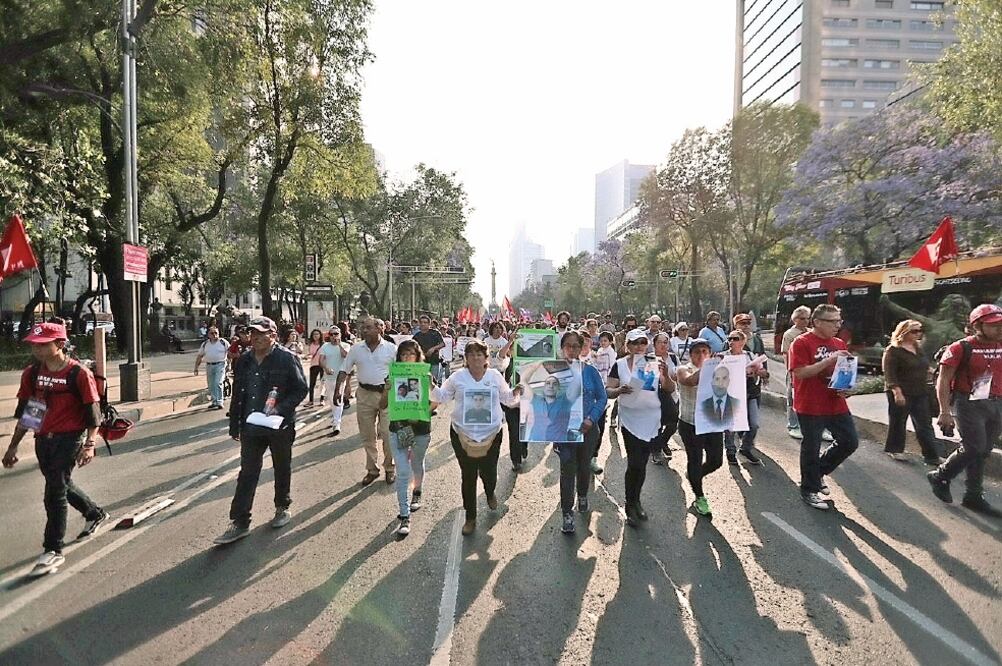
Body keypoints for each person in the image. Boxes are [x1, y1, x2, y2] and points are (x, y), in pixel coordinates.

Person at [2, 322, 109, 576]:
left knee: (54, 493)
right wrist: (13, 446)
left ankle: (52, 550)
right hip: (43, 440)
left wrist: (90, 444)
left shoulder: (78, 374)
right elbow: (30, 413)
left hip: (69, 439)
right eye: (34, 345)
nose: (37, 349)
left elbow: (93, 417)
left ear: (60, 344)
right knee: (60, 483)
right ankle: (94, 513)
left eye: (42, 345)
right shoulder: (32, 374)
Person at [214, 316, 308, 544]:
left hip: (279, 426)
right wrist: (234, 424)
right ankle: (240, 521)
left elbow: (300, 389)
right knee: (247, 472)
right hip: (251, 426)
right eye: (252, 334)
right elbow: (238, 394)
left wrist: (281, 410)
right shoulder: (245, 360)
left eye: (260, 334)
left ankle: (281, 506)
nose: (255, 338)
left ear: (273, 336)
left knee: (281, 467)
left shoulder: (287, 359)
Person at [432, 340, 521, 536]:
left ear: (486, 357)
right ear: (466, 358)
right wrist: (430, 384)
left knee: (489, 472)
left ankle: (489, 492)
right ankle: (470, 517)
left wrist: (517, 393)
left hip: (492, 434)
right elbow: (442, 396)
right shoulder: (458, 377)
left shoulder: (495, 376)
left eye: (479, 354)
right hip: (462, 434)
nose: (475, 357)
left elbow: (507, 398)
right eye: (471, 354)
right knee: (468, 475)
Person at [928, 304, 1002, 516]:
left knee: (983, 451)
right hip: (969, 403)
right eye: (993, 325)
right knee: (974, 447)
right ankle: (940, 475)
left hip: (996, 403)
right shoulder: (960, 348)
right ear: (977, 325)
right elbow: (943, 381)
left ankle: (973, 496)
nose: (999, 328)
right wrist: (944, 411)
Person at [788, 304, 860, 511]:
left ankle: (817, 472)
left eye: (839, 321)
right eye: (832, 321)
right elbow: (800, 373)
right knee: (811, 447)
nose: (837, 325)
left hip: (836, 403)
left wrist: (847, 388)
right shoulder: (801, 342)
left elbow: (843, 374)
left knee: (850, 441)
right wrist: (829, 359)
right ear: (817, 322)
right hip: (810, 404)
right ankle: (809, 489)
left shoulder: (838, 343)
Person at [605, 329, 672, 526]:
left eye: (642, 342)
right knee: (634, 463)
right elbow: (608, 390)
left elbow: (669, 388)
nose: (639, 347)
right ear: (628, 345)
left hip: (652, 420)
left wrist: (666, 375)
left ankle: (637, 500)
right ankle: (629, 503)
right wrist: (619, 390)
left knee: (642, 464)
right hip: (630, 421)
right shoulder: (619, 365)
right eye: (634, 343)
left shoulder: (653, 363)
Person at [552, 331, 607, 534]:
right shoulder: (552, 372)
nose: (573, 349)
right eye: (568, 345)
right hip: (564, 431)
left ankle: (582, 495)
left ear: (582, 348)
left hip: (588, 429)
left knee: (584, 466)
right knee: (567, 470)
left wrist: (590, 419)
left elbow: (602, 398)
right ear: (562, 347)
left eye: (577, 346)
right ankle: (567, 512)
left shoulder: (590, 371)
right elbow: (542, 399)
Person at [334, 317, 398, 485]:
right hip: (364, 395)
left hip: (386, 394)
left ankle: (390, 468)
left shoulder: (392, 349)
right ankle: (372, 469)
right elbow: (344, 370)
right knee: (367, 435)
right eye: (363, 327)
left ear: (379, 329)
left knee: (388, 434)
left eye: (368, 327)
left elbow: (402, 372)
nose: (364, 330)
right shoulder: (356, 349)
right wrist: (338, 391)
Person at [383, 340, 434, 537]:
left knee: (417, 464)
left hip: (420, 429)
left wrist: (428, 390)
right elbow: (382, 403)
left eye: (410, 354)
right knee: (403, 471)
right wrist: (387, 390)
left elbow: (436, 401)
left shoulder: (425, 375)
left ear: (417, 355)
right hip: (398, 428)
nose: (406, 358)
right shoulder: (393, 375)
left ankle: (417, 492)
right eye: (403, 355)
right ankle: (404, 515)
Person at [677, 338, 724, 518]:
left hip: (712, 422)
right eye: (697, 352)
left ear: (710, 353)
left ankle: (694, 475)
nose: (701, 355)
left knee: (716, 461)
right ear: (690, 355)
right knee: (695, 459)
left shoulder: (718, 370)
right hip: (691, 424)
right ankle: (699, 496)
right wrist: (708, 366)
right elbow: (689, 381)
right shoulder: (683, 369)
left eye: (705, 352)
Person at [882, 319, 941, 465]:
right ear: (904, 332)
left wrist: (934, 373)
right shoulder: (893, 350)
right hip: (901, 390)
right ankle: (895, 449)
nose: (918, 334)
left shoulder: (917, 348)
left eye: (920, 330)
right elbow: (889, 374)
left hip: (920, 391)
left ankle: (932, 455)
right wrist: (897, 391)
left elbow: (923, 365)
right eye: (914, 331)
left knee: (924, 423)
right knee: (898, 421)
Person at [722, 330, 766, 466]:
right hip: (731, 394)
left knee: (754, 424)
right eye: (729, 339)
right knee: (730, 425)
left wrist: (757, 372)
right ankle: (730, 451)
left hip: (749, 393)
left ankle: (745, 448)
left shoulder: (749, 355)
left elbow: (763, 373)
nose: (731, 341)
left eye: (735, 339)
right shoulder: (723, 356)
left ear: (743, 341)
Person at [781, 306, 811, 439]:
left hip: (810, 370)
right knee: (792, 398)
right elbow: (786, 354)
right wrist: (790, 372)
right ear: (795, 319)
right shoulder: (789, 335)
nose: (805, 321)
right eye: (802, 318)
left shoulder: (810, 332)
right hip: (794, 370)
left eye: (807, 318)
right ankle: (793, 425)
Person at [320, 326, 351, 436]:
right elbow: (321, 360)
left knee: (339, 398)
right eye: (332, 334)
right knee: (332, 400)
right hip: (329, 378)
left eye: (336, 334)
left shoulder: (346, 345)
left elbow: (345, 355)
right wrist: (326, 368)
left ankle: (337, 423)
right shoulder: (325, 346)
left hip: (341, 378)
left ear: (340, 335)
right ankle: (335, 418)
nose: (334, 336)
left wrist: (339, 345)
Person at [194, 326, 230, 410]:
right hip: (209, 365)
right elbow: (200, 356)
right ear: (208, 334)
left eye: (216, 333)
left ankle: (219, 401)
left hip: (220, 364)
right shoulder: (205, 344)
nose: (214, 335)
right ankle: (214, 401)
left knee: (218, 382)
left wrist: (229, 364)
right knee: (211, 384)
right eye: (212, 333)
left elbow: (229, 352)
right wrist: (196, 368)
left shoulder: (223, 342)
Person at [700, 364, 741, 430]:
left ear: (729, 381)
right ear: (712, 382)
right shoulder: (703, 405)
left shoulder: (736, 403)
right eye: (717, 379)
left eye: (724, 378)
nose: (721, 383)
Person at [413, 315, 447, 383]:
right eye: (421, 322)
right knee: (422, 382)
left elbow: (443, 344)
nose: (423, 324)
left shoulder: (435, 333)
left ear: (429, 324)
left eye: (425, 322)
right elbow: (413, 348)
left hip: (434, 361)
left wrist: (433, 349)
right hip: (421, 362)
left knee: (433, 382)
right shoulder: (416, 336)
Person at [305, 329, 325, 406]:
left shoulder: (324, 345)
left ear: (320, 335)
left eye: (317, 334)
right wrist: (307, 357)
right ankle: (311, 401)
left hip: (322, 365)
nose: (316, 336)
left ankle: (322, 399)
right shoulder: (311, 345)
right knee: (312, 384)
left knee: (322, 383)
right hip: (313, 365)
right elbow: (310, 354)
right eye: (314, 334)